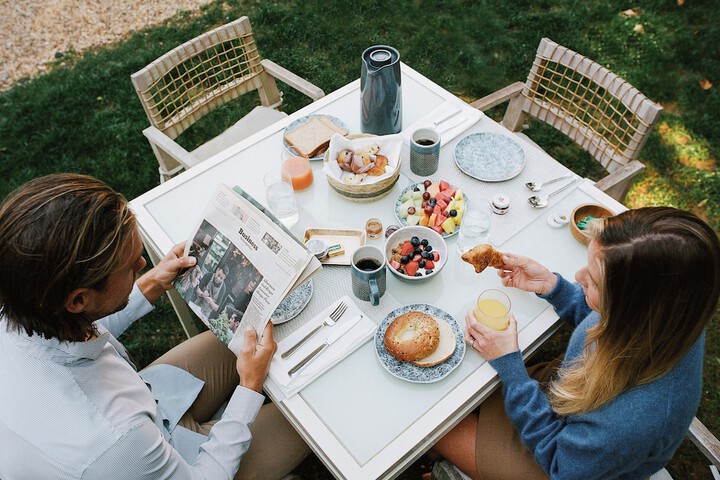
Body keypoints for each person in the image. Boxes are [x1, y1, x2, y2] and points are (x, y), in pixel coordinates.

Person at [0, 174, 309, 479]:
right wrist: (249, 388)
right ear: (79, 300)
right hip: (171, 464)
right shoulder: (113, 443)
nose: (143, 264)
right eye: (131, 265)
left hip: (153, 403)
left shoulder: (24, 304)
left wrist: (149, 285)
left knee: (246, 335)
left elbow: (75, 328)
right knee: (307, 415)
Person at [432, 207, 720, 479]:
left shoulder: (630, 422)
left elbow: (561, 464)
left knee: (436, 426)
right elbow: (601, 317)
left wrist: (510, 366)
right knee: (461, 391)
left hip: (556, 460)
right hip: (564, 406)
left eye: (593, 282)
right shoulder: (673, 316)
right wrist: (553, 287)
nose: (578, 277)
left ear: (630, 311)